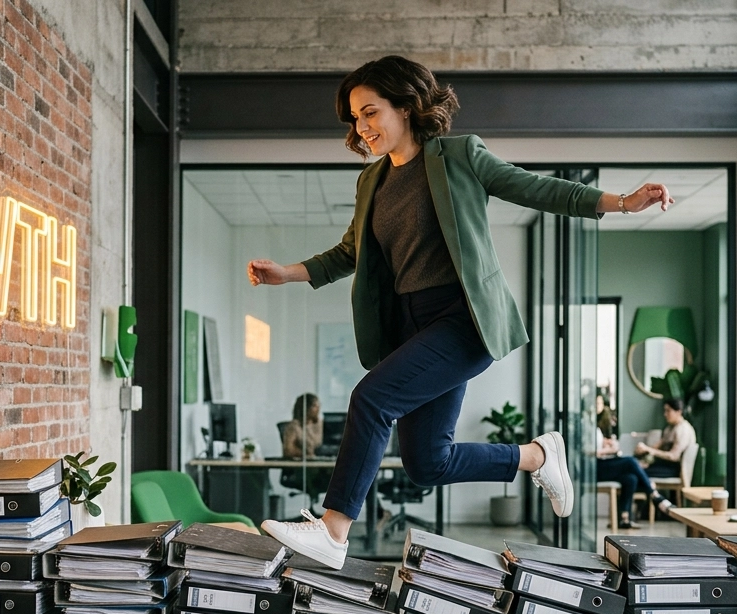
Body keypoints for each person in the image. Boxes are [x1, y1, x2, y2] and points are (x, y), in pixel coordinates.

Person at [246, 56, 674, 568]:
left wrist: (623, 202)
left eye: (370, 112)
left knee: (371, 399)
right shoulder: (372, 182)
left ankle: (334, 529)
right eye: (355, 119)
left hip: (461, 317)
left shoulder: (458, 156)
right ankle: (537, 456)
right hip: (411, 325)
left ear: (406, 106)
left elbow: (536, 188)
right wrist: (285, 273)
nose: (362, 128)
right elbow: (350, 253)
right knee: (428, 462)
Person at [596, 428, 674, 529]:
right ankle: (654, 494)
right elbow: (585, 452)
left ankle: (624, 519)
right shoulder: (585, 427)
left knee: (631, 479)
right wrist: (608, 450)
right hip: (593, 468)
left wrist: (606, 443)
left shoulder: (596, 427)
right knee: (630, 461)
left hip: (601, 463)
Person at [279, 393, 333, 498]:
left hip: (322, 465)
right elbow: (288, 451)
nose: (318, 409)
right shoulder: (294, 427)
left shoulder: (320, 425)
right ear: (305, 408)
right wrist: (306, 455)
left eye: (318, 405)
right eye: (314, 406)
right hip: (304, 469)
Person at [635, 398, 696, 480]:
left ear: (678, 412)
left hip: (673, 469)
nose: (665, 414)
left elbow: (674, 456)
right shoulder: (669, 428)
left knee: (635, 471)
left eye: (668, 411)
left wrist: (650, 450)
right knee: (634, 466)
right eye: (665, 411)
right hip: (662, 465)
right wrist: (644, 451)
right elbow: (656, 447)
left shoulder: (683, 429)